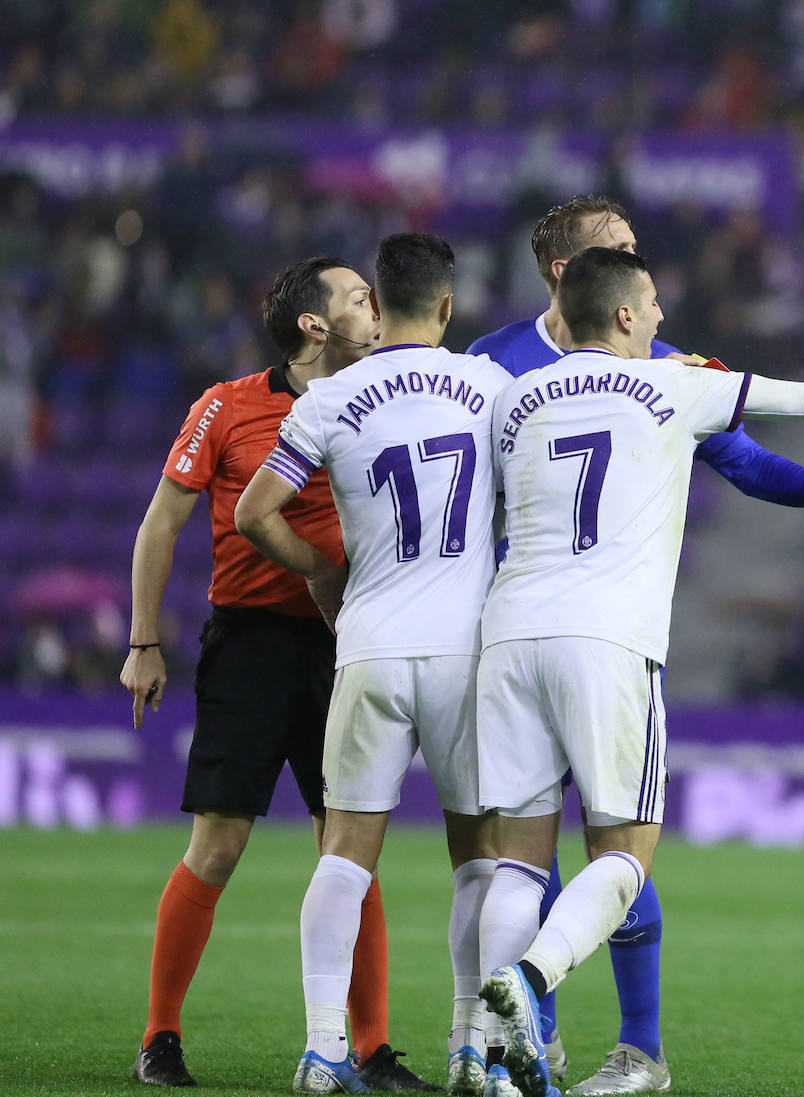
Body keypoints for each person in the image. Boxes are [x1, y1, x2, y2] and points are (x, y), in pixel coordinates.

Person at [474, 246, 804, 1097]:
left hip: (507, 637)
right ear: (622, 316)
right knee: (626, 855)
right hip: (607, 639)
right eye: (650, 304)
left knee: (516, 864)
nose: (659, 319)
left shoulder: (510, 397)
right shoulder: (670, 382)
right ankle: (531, 978)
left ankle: (489, 1056)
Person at [120, 257, 436, 1091]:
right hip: (252, 645)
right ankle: (160, 1036)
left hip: (349, 645)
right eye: (359, 298)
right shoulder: (225, 407)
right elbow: (162, 522)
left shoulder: (389, 398)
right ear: (314, 325)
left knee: (351, 847)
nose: (377, 306)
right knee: (218, 846)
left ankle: (368, 1048)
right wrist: (144, 639)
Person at [235, 233, 512, 1097]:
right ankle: (473, 1046)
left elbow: (254, 513)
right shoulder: (491, 388)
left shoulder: (328, 398)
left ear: (375, 306)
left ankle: (323, 1050)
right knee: (479, 859)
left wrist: (322, 569)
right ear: (445, 307)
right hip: (465, 651)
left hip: (371, 643)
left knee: (346, 854)